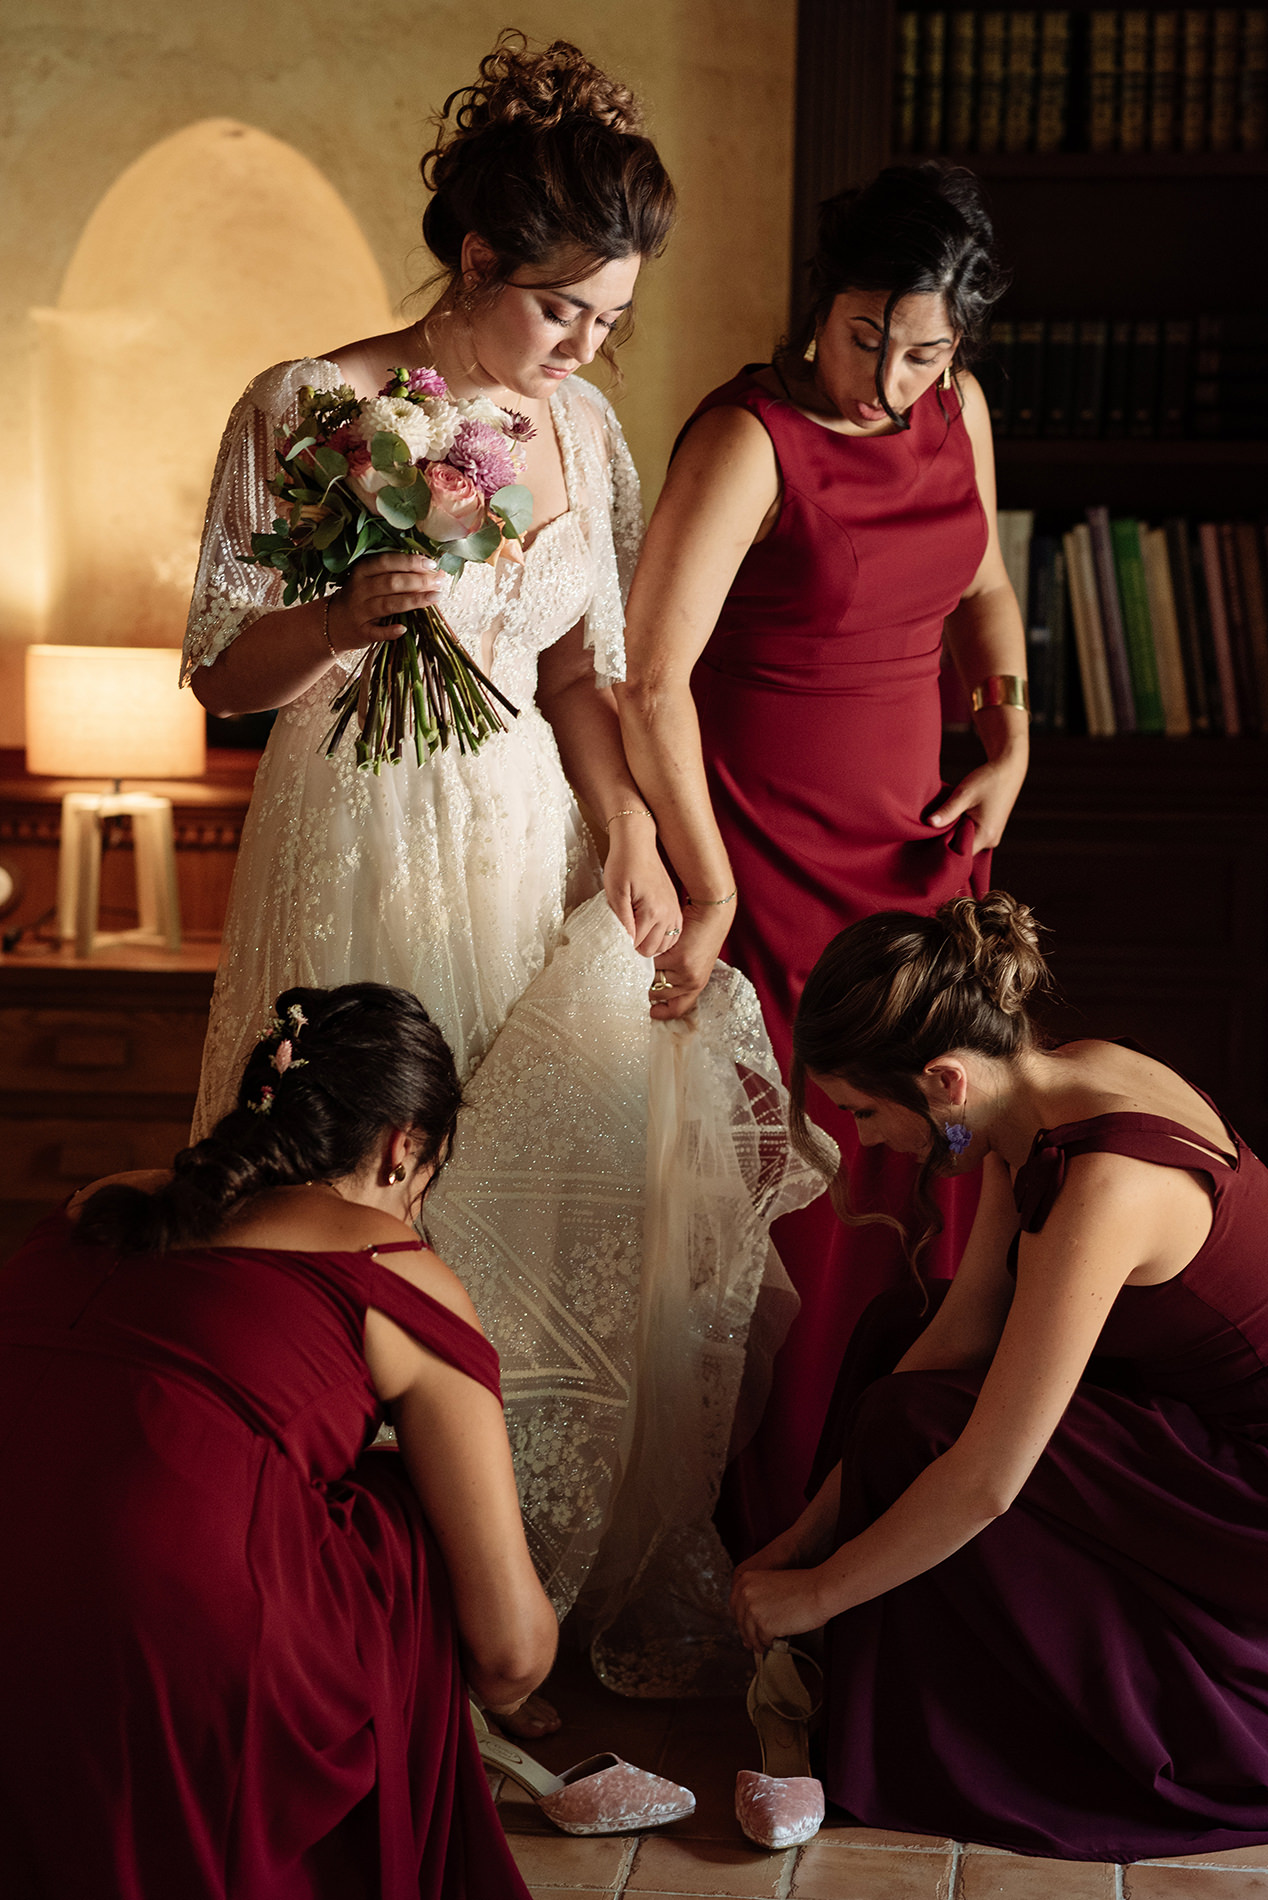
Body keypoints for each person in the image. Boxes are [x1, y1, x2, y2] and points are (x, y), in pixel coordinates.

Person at [182, 34, 820, 1704]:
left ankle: (504, 1595)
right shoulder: (310, 407)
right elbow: (219, 674)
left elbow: (574, 676)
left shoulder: (582, 431)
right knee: (362, 1189)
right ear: (474, 261)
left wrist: (633, 833)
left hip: (528, 821)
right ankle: (332, 1586)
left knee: (536, 1184)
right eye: (558, 311)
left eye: (607, 318)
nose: (581, 346)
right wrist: (341, 614)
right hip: (361, 830)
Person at [616, 161, 1029, 1553]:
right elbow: (650, 681)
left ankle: (906, 1514)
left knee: (949, 1170)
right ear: (820, 307)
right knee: (803, 1215)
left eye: (928, 350)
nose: (896, 381)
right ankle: (766, 1529)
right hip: (774, 868)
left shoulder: (954, 409)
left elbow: (981, 585)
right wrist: (710, 882)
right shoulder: (749, 439)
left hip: (921, 864)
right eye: (869, 339)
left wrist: (1010, 737)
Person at [730, 894, 1268, 1863]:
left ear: (940, 1080)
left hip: (1241, 1486)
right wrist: (800, 1536)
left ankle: (884, 1703)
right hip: (1177, 1407)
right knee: (892, 1341)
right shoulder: (1020, 1099)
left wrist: (812, 1593)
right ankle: (839, 1662)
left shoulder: (1101, 1185)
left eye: (862, 1110)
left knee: (914, 1431)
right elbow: (962, 1326)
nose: (863, 1140)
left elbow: (986, 1480)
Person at [0, 982, 559, 1898]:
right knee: (402, 1512)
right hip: (155, 1649)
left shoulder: (92, 1206)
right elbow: (509, 1661)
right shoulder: (392, 1271)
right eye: (428, 1181)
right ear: (402, 1148)